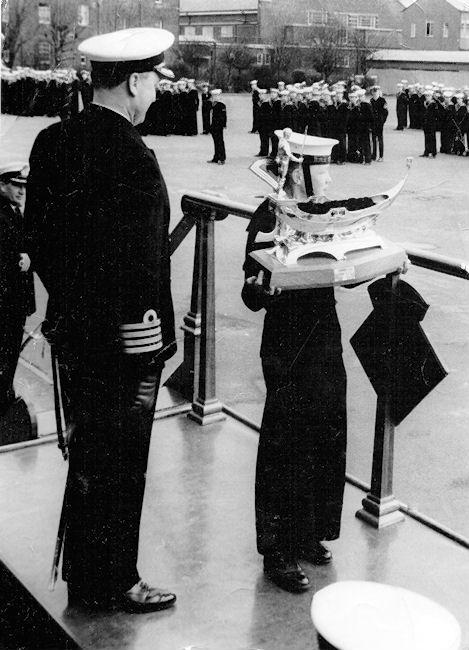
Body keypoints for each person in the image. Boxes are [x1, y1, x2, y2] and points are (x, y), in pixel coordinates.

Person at [24, 27, 178, 613]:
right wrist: (148, 334)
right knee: (122, 460)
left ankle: (87, 580)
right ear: (135, 81)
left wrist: (73, 307)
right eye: (153, 82)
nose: (157, 94)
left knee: (89, 455)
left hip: (76, 333)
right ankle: (117, 579)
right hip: (127, 339)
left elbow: (40, 238)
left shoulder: (53, 142)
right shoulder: (133, 157)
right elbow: (142, 262)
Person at [242, 134, 347, 593]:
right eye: (319, 171)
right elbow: (249, 289)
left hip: (325, 336)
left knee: (326, 428)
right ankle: (277, 548)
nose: (326, 179)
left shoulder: (326, 212)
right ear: (300, 172)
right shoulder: (270, 214)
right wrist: (265, 289)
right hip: (287, 341)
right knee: (287, 438)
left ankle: (308, 531)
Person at [0, 162, 35, 416]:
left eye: (24, 186)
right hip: (5, 301)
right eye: (16, 185)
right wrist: (19, 261)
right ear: (2, 185)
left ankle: (4, 395)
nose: (22, 191)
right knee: (5, 352)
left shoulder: (13, 212)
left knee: (9, 352)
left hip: (13, 301)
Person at [207, 88, 226, 164]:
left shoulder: (221, 105)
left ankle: (222, 158)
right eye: (214, 96)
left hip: (219, 126)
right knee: (216, 142)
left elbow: (224, 117)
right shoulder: (213, 104)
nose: (215, 97)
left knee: (220, 142)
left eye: (216, 96)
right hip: (214, 126)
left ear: (219, 96)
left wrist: (223, 125)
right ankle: (216, 157)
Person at [370, 85, 388, 162]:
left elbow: (386, 112)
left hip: (380, 123)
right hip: (373, 123)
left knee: (380, 139)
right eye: (373, 93)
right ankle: (374, 155)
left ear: (378, 92)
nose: (374, 94)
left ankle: (381, 156)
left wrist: (383, 121)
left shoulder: (382, 100)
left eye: (376, 93)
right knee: (374, 139)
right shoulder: (371, 101)